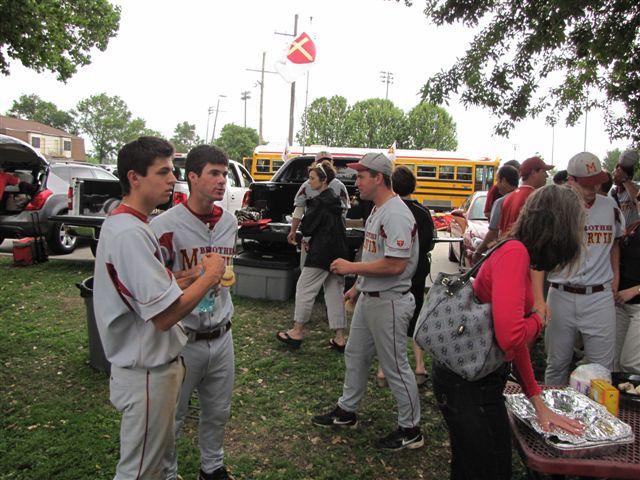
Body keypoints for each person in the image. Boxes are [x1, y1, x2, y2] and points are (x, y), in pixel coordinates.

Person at [93, 137, 225, 479]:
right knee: (139, 472)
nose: (171, 179)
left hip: (151, 366)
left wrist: (185, 277)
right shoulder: (131, 234)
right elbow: (165, 315)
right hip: (146, 371)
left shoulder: (129, 223)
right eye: (163, 171)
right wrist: (210, 275)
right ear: (135, 177)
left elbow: (144, 291)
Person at [434, 185, 585, 480]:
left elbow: (515, 345)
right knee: (487, 469)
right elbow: (511, 336)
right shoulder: (515, 254)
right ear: (560, 227)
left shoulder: (517, 251)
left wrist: (537, 401)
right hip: (468, 387)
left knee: (474, 467)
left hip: (473, 381)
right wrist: (539, 319)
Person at [312, 152, 423, 451]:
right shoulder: (376, 209)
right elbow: (375, 256)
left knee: (396, 366)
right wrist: (358, 287)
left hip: (390, 300)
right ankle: (346, 411)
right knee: (355, 354)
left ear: (379, 178)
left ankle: (411, 428)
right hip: (371, 297)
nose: (356, 181)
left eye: (362, 176)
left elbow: (395, 265)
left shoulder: (396, 213)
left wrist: (352, 269)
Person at [151, 145, 237, 480]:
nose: (221, 181)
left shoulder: (229, 222)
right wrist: (197, 276)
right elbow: (156, 283)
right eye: (214, 173)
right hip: (182, 337)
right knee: (172, 415)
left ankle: (212, 467)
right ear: (192, 177)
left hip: (222, 331)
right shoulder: (165, 226)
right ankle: (168, 473)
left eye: (224, 174)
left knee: (218, 410)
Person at [545, 152, 623, 386]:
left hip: (599, 295)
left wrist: (615, 278)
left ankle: (597, 420)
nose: (594, 187)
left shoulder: (610, 207)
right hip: (561, 293)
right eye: (587, 183)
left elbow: (615, 244)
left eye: (597, 180)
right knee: (557, 364)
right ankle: (551, 418)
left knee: (601, 369)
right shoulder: (555, 209)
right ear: (571, 180)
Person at [277, 160, 349, 350]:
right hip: (339, 251)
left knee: (304, 288)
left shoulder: (318, 201)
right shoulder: (336, 199)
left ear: (323, 180)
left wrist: (305, 237)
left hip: (321, 252)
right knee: (334, 292)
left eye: (312, 178)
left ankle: (297, 331)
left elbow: (307, 226)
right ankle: (340, 337)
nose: (309, 182)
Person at [376, 165, 434, 387]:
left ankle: (383, 370)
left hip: (392, 276)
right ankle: (420, 366)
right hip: (417, 273)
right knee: (416, 316)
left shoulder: (388, 210)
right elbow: (428, 242)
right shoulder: (422, 212)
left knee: (389, 322)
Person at [287, 151, 350, 247]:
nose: (325, 164)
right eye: (322, 161)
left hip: (331, 236)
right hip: (313, 236)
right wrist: (293, 230)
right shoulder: (307, 185)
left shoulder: (339, 186)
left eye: (327, 161)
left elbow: (343, 214)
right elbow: (299, 209)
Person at [472, 165, 519, 263]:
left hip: (505, 254)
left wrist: (479, 251)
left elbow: (493, 233)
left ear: (504, 180)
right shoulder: (528, 198)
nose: (497, 185)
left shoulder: (501, 202)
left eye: (498, 181)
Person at [499, 156, 553, 235]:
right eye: (544, 171)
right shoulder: (536, 198)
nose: (546, 176)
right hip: (524, 246)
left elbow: (501, 231)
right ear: (533, 173)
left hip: (508, 245)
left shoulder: (509, 197)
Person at [615, 219, 640, 373]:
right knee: (612, 364)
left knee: (630, 364)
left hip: (638, 306)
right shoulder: (634, 225)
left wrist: (636, 290)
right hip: (620, 304)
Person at [610, 149, 639, 227]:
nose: (615, 174)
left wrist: (625, 180)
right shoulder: (612, 192)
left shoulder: (635, 188)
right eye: (616, 171)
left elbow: (637, 199)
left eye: (619, 172)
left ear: (628, 176)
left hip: (634, 236)